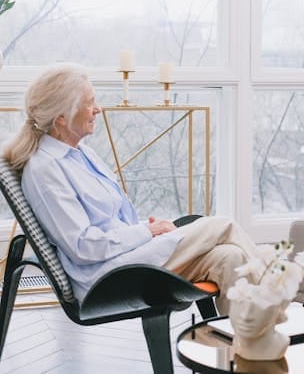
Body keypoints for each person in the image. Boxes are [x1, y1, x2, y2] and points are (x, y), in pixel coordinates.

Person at [2, 64, 258, 315]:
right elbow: (83, 246)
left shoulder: (82, 154)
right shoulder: (45, 169)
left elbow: (111, 221)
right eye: (90, 103)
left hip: (130, 258)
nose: (98, 109)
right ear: (62, 117)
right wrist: (147, 231)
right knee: (223, 225)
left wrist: (148, 230)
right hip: (109, 277)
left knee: (231, 258)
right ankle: (277, 297)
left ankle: (250, 341)